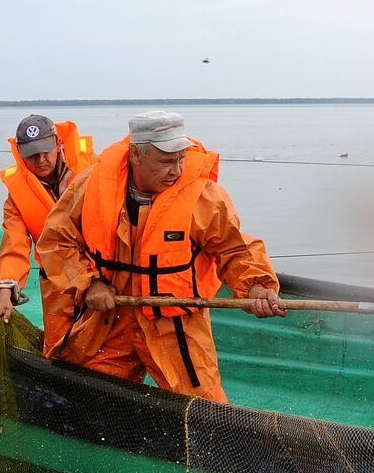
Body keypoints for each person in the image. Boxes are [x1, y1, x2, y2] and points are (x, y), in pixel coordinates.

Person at [36, 110, 284, 402]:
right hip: (109, 320)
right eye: (166, 161)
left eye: (180, 159)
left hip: (175, 326)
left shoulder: (201, 195)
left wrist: (256, 285)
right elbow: (55, 240)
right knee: (84, 397)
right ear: (136, 155)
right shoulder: (91, 185)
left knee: (206, 408)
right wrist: (89, 284)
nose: (177, 170)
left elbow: (234, 248)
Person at [0, 115, 94, 351]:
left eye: (46, 151)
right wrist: (5, 292)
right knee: (58, 350)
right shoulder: (17, 197)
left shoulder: (93, 170)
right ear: (20, 154)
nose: (41, 159)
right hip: (56, 283)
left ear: (58, 144)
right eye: (32, 155)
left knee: (105, 351)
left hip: (99, 277)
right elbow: (14, 243)